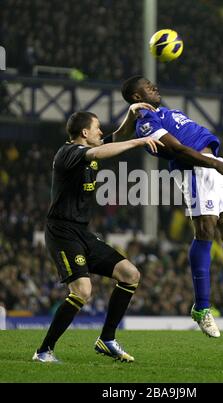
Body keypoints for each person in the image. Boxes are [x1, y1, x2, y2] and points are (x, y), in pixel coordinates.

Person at [121, 76, 223, 338]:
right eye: (147, 86)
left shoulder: (166, 112)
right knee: (206, 230)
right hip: (195, 170)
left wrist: (217, 162)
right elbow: (178, 150)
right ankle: (201, 307)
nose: (154, 86)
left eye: (153, 83)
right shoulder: (146, 123)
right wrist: (213, 164)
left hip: (215, 164)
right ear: (136, 97)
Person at [33, 103, 163, 363]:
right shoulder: (67, 153)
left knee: (130, 274)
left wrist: (131, 113)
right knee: (82, 290)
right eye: (97, 128)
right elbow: (103, 150)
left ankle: (107, 339)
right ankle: (44, 351)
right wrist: (139, 143)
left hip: (82, 231)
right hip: (61, 231)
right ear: (84, 133)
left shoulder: (93, 147)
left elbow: (116, 137)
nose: (101, 132)